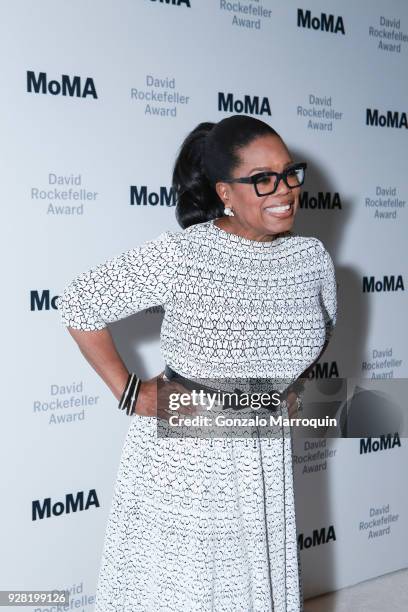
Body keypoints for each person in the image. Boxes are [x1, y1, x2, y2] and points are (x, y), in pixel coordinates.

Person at [56, 114, 337, 612]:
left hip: (263, 455)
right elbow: (81, 302)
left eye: (290, 172)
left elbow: (318, 336)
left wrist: (288, 391)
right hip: (188, 455)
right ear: (225, 192)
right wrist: (130, 391)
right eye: (263, 179)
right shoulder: (186, 254)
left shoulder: (311, 258)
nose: (284, 190)